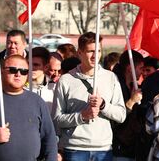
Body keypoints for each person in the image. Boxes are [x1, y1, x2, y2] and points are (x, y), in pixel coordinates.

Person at [52, 32, 126, 161]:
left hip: (103, 149)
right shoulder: (66, 80)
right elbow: (57, 119)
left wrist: (103, 105)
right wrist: (82, 116)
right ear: (79, 53)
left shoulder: (111, 78)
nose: (94, 56)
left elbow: (121, 115)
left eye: (98, 51)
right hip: (75, 149)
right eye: (90, 51)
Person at [0, 54, 58, 160]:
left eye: (23, 71)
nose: (18, 74)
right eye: (12, 70)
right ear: (2, 71)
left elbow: (49, 138)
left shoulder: (37, 101)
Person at [112, 50, 144, 160]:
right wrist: (132, 101)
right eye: (140, 68)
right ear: (130, 68)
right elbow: (115, 117)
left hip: (131, 146)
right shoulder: (114, 84)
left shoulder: (133, 86)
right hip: (117, 146)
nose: (142, 72)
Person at [29, 46, 55, 110]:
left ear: (46, 67)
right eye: (28, 64)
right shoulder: (20, 87)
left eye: (36, 65)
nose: (31, 68)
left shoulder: (54, 88)